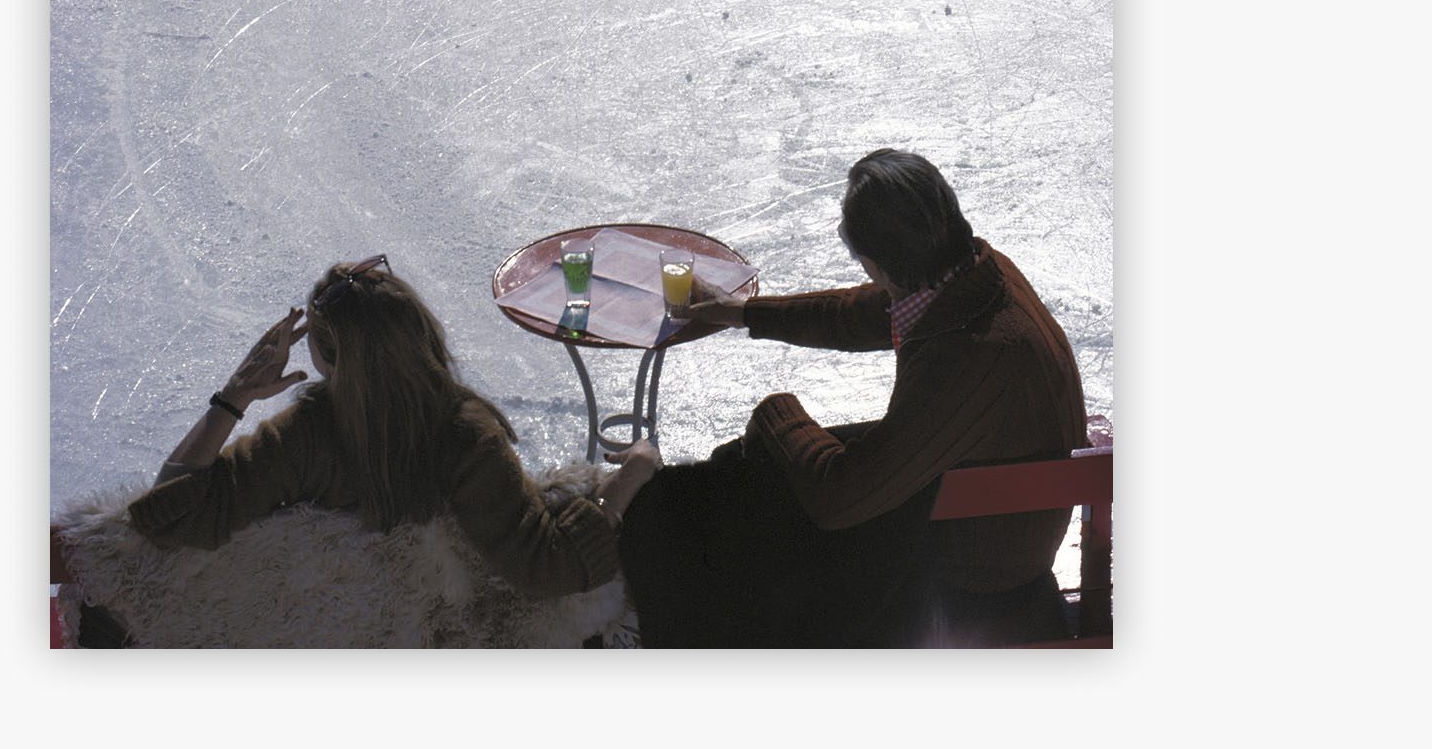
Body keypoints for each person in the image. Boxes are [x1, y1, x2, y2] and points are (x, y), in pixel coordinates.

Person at [614, 150, 1088, 647]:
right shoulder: (969, 275)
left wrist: (776, 413)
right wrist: (742, 312)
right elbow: (857, 314)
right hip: (983, 501)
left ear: (877, 259)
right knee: (753, 471)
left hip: (980, 565)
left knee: (764, 504)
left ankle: (675, 616)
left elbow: (841, 498)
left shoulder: (967, 357)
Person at [121, 255, 662, 618]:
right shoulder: (465, 439)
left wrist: (234, 397)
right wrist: (635, 470)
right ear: (419, 332)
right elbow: (553, 566)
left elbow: (171, 511)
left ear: (330, 363)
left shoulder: (306, 437)